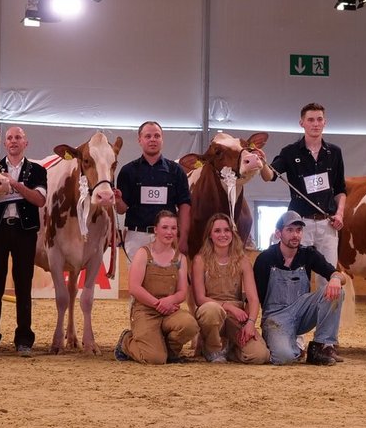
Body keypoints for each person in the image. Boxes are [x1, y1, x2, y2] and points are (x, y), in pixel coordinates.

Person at [0, 125, 47, 357]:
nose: (13, 141)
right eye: (9, 138)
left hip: (24, 232)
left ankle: (24, 340)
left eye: (18, 137)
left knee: (23, 286)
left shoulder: (37, 170)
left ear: (25, 143)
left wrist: (15, 185)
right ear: (5, 143)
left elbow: (39, 200)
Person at [253, 210, 345, 365]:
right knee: (284, 357)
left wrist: (335, 278)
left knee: (338, 291)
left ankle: (319, 347)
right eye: (289, 230)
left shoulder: (308, 254)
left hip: (302, 312)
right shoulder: (265, 259)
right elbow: (254, 297)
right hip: (276, 318)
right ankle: (282, 342)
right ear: (278, 233)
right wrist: (250, 325)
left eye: (298, 230)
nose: (295, 235)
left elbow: (340, 275)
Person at [115, 208, 199, 364]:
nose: (169, 232)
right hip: (145, 311)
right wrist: (157, 304)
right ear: (156, 230)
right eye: (165, 227)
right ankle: (126, 342)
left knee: (190, 325)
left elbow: (182, 292)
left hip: (169, 310)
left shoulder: (180, 258)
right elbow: (134, 288)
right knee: (154, 359)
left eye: (173, 228)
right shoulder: (143, 253)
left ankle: (170, 352)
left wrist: (169, 301)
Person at [269, 103, 346, 270]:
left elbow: (340, 189)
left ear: (325, 122)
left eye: (319, 119)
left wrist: (340, 214)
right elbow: (270, 175)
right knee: (298, 273)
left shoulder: (335, 152)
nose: (315, 124)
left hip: (327, 223)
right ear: (302, 123)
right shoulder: (290, 152)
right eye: (310, 120)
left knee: (329, 273)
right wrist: (259, 162)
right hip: (300, 224)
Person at [191, 212, 269, 364]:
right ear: (210, 235)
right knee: (211, 310)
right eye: (217, 231)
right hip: (211, 313)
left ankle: (231, 348)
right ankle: (212, 348)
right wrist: (228, 307)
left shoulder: (243, 260)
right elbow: (199, 298)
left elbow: (253, 298)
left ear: (232, 233)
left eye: (227, 230)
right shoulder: (200, 260)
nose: (223, 235)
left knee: (260, 355)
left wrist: (250, 323)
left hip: (236, 317)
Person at [115, 120, 191, 260]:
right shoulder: (127, 171)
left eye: (157, 136)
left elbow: (185, 205)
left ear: (162, 139)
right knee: (137, 274)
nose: (153, 140)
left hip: (167, 236)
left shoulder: (176, 171)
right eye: (148, 136)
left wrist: (184, 237)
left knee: (166, 274)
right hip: (137, 237)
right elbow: (121, 209)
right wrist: (118, 200)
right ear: (140, 140)